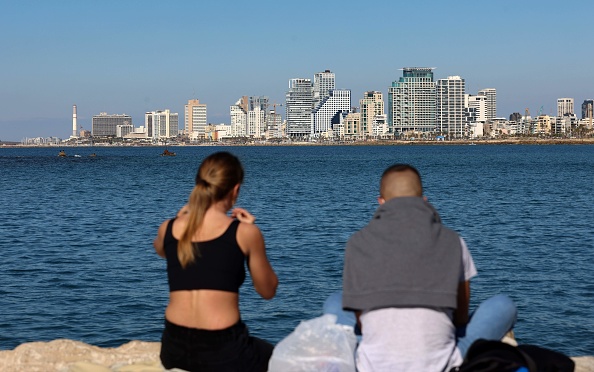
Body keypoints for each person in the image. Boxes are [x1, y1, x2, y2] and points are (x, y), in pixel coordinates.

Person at [325, 164, 517, 371]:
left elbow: (362, 323)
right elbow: (460, 318)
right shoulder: (452, 241)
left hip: (374, 364)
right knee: (503, 305)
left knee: (334, 302)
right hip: (439, 363)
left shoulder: (357, 243)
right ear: (424, 201)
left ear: (380, 202)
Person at [153, 151, 278, 371]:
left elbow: (162, 250)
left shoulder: (168, 227)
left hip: (174, 348)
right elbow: (267, 291)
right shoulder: (245, 233)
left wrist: (179, 217)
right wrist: (251, 231)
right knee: (282, 360)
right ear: (235, 189)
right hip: (223, 350)